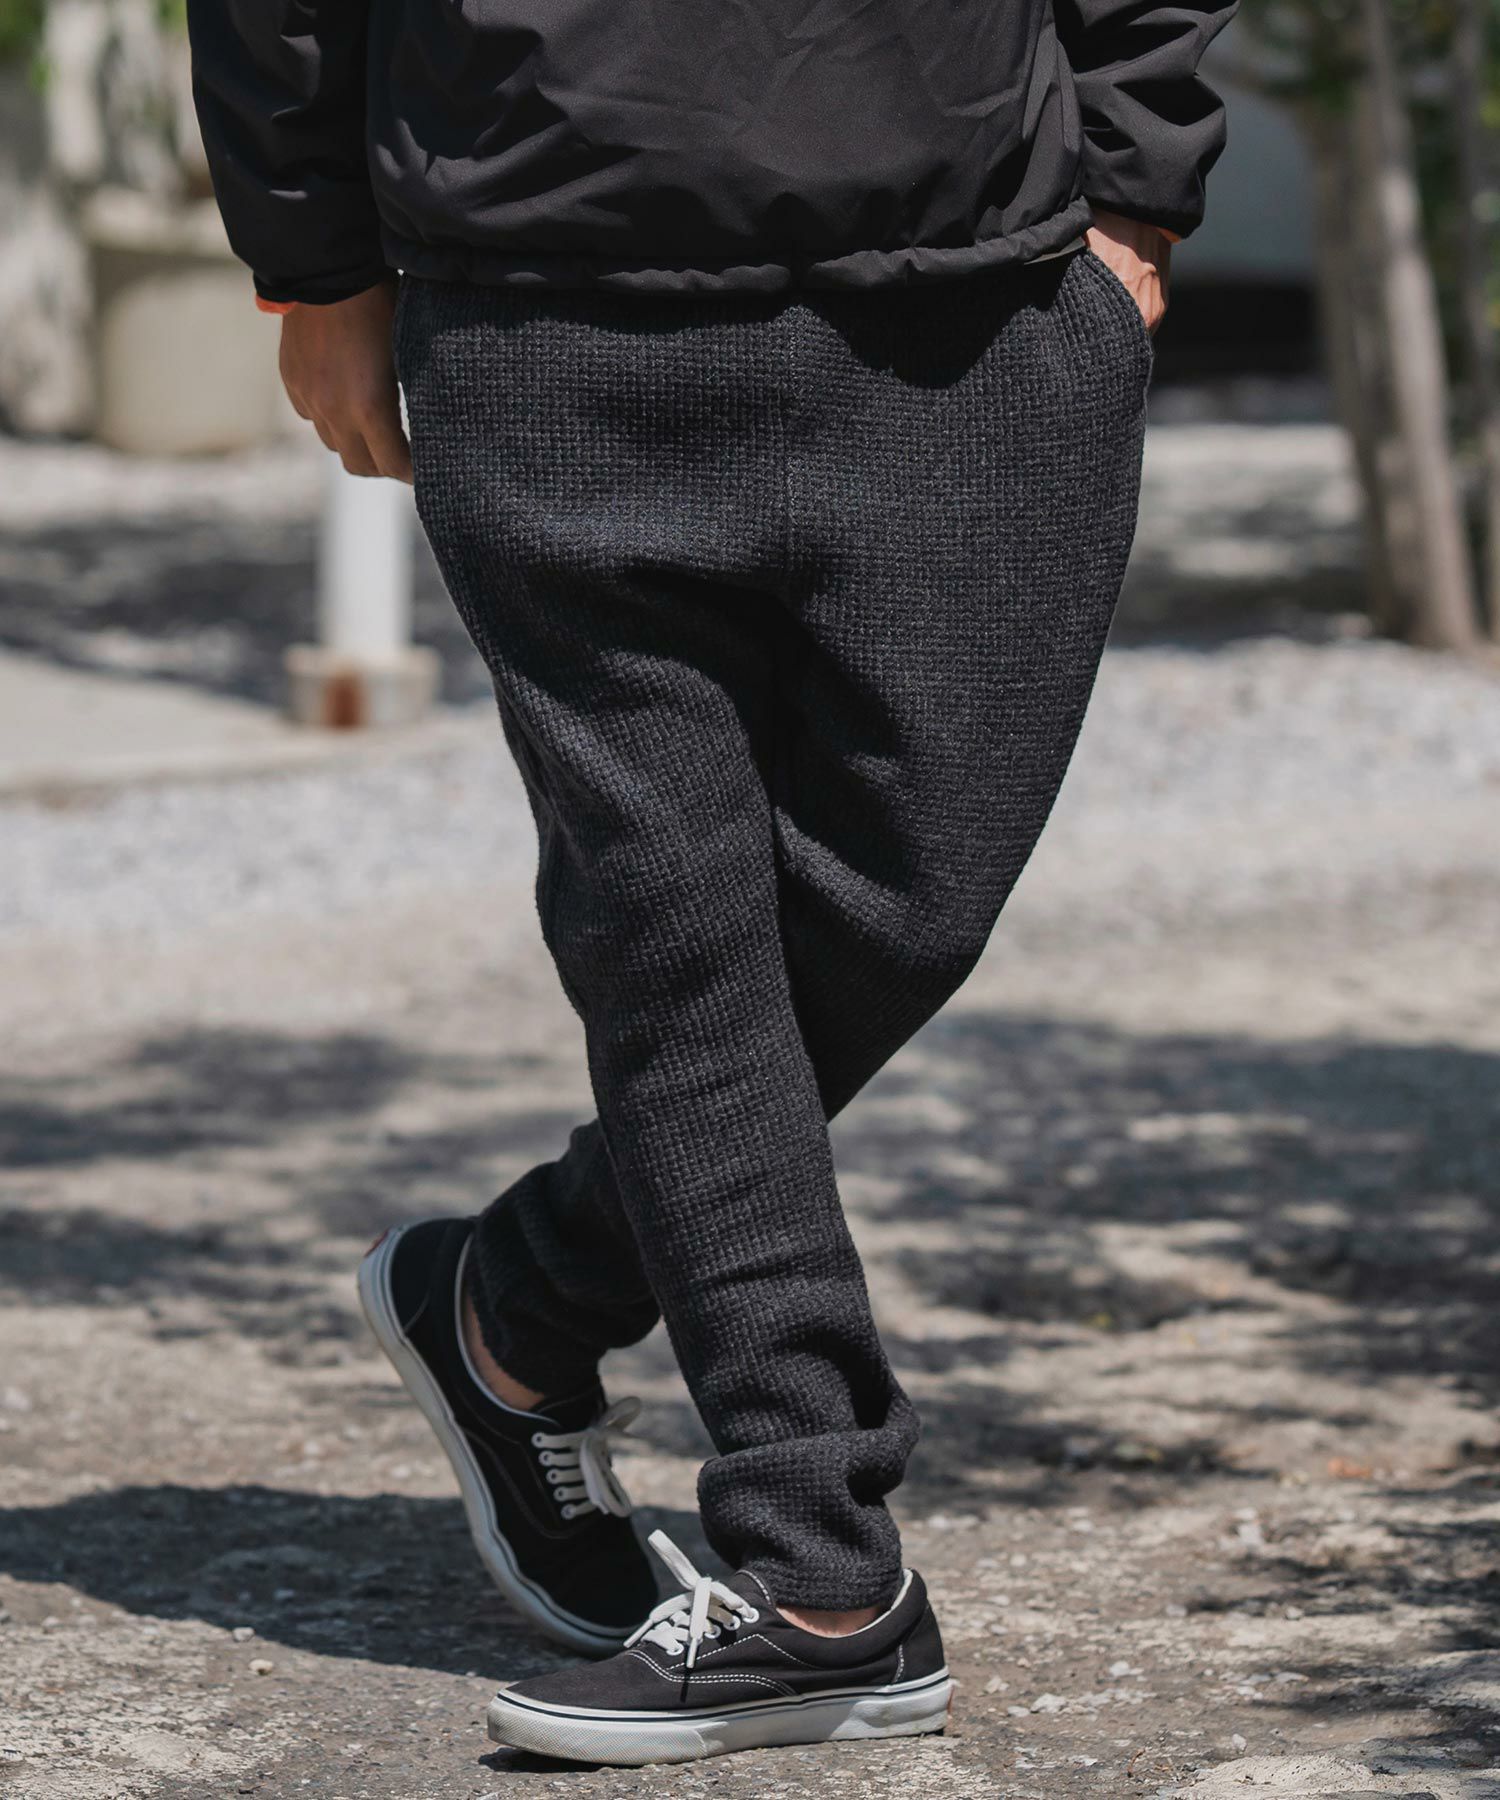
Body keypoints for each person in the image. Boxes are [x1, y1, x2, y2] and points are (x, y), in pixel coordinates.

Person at [186, 0, 1233, 1766]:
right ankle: (822, 1576)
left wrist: (1138, 191)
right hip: (543, 282)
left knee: (905, 907)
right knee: (672, 940)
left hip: (978, 277)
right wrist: (315, 264)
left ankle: (515, 1303)